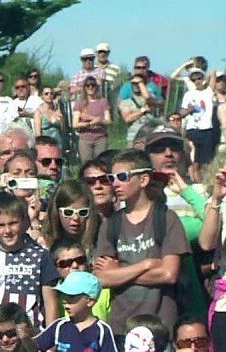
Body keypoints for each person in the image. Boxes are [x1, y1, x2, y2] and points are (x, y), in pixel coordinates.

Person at [92, 149, 189, 332]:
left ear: (143, 180)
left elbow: (168, 274)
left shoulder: (167, 219)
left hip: (161, 328)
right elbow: (102, 277)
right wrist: (146, 264)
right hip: (121, 327)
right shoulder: (111, 224)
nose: (116, 184)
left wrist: (119, 272)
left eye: (122, 177)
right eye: (112, 178)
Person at [0, 191, 59, 329]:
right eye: (0, 225)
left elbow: (50, 304)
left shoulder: (41, 256)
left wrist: (51, 342)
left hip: (32, 337)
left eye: (13, 223)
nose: (7, 230)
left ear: (23, 221)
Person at [179, 68, 216, 182]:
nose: (197, 81)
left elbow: (213, 73)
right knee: (195, 161)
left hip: (207, 129)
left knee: (206, 162)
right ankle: (195, 182)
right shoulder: (189, 94)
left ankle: (205, 183)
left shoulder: (209, 91)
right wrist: (189, 109)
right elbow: (181, 113)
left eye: (199, 78)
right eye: (194, 80)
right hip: (193, 129)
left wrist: (201, 70)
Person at [73, 77, 111, 163]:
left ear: (96, 87)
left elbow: (108, 121)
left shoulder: (103, 102)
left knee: (101, 163)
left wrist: (94, 119)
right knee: (86, 164)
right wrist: (90, 123)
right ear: (85, 88)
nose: (90, 87)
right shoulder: (80, 103)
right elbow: (75, 124)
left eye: (93, 85)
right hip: (85, 139)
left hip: (100, 138)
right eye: (88, 85)